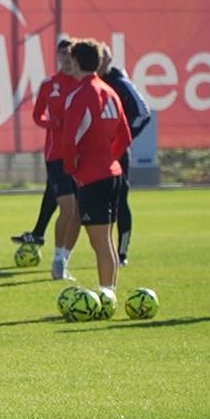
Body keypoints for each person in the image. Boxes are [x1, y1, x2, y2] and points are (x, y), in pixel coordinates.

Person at [57, 39, 131, 294]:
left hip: (92, 177)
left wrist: (72, 167)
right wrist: (109, 158)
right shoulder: (110, 91)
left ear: (77, 62)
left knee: (100, 242)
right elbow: (125, 136)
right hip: (112, 174)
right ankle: (108, 291)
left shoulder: (79, 95)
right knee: (105, 240)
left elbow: (68, 139)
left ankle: (107, 294)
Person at [12, 38, 81, 280]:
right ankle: (57, 260)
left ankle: (61, 256)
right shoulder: (50, 84)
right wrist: (52, 123)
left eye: (70, 54)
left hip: (80, 156)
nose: (66, 59)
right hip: (56, 155)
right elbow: (37, 115)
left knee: (78, 212)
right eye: (62, 54)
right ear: (57, 56)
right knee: (68, 207)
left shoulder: (82, 84)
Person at [98, 45, 152, 266]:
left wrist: (120, 140)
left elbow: (143, 113)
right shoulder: (88, 83)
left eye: (101, 57)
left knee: (119, 199)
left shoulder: (118, 82)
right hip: (92, 155)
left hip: (116, 154)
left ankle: (121, 252)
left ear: (106, 60)